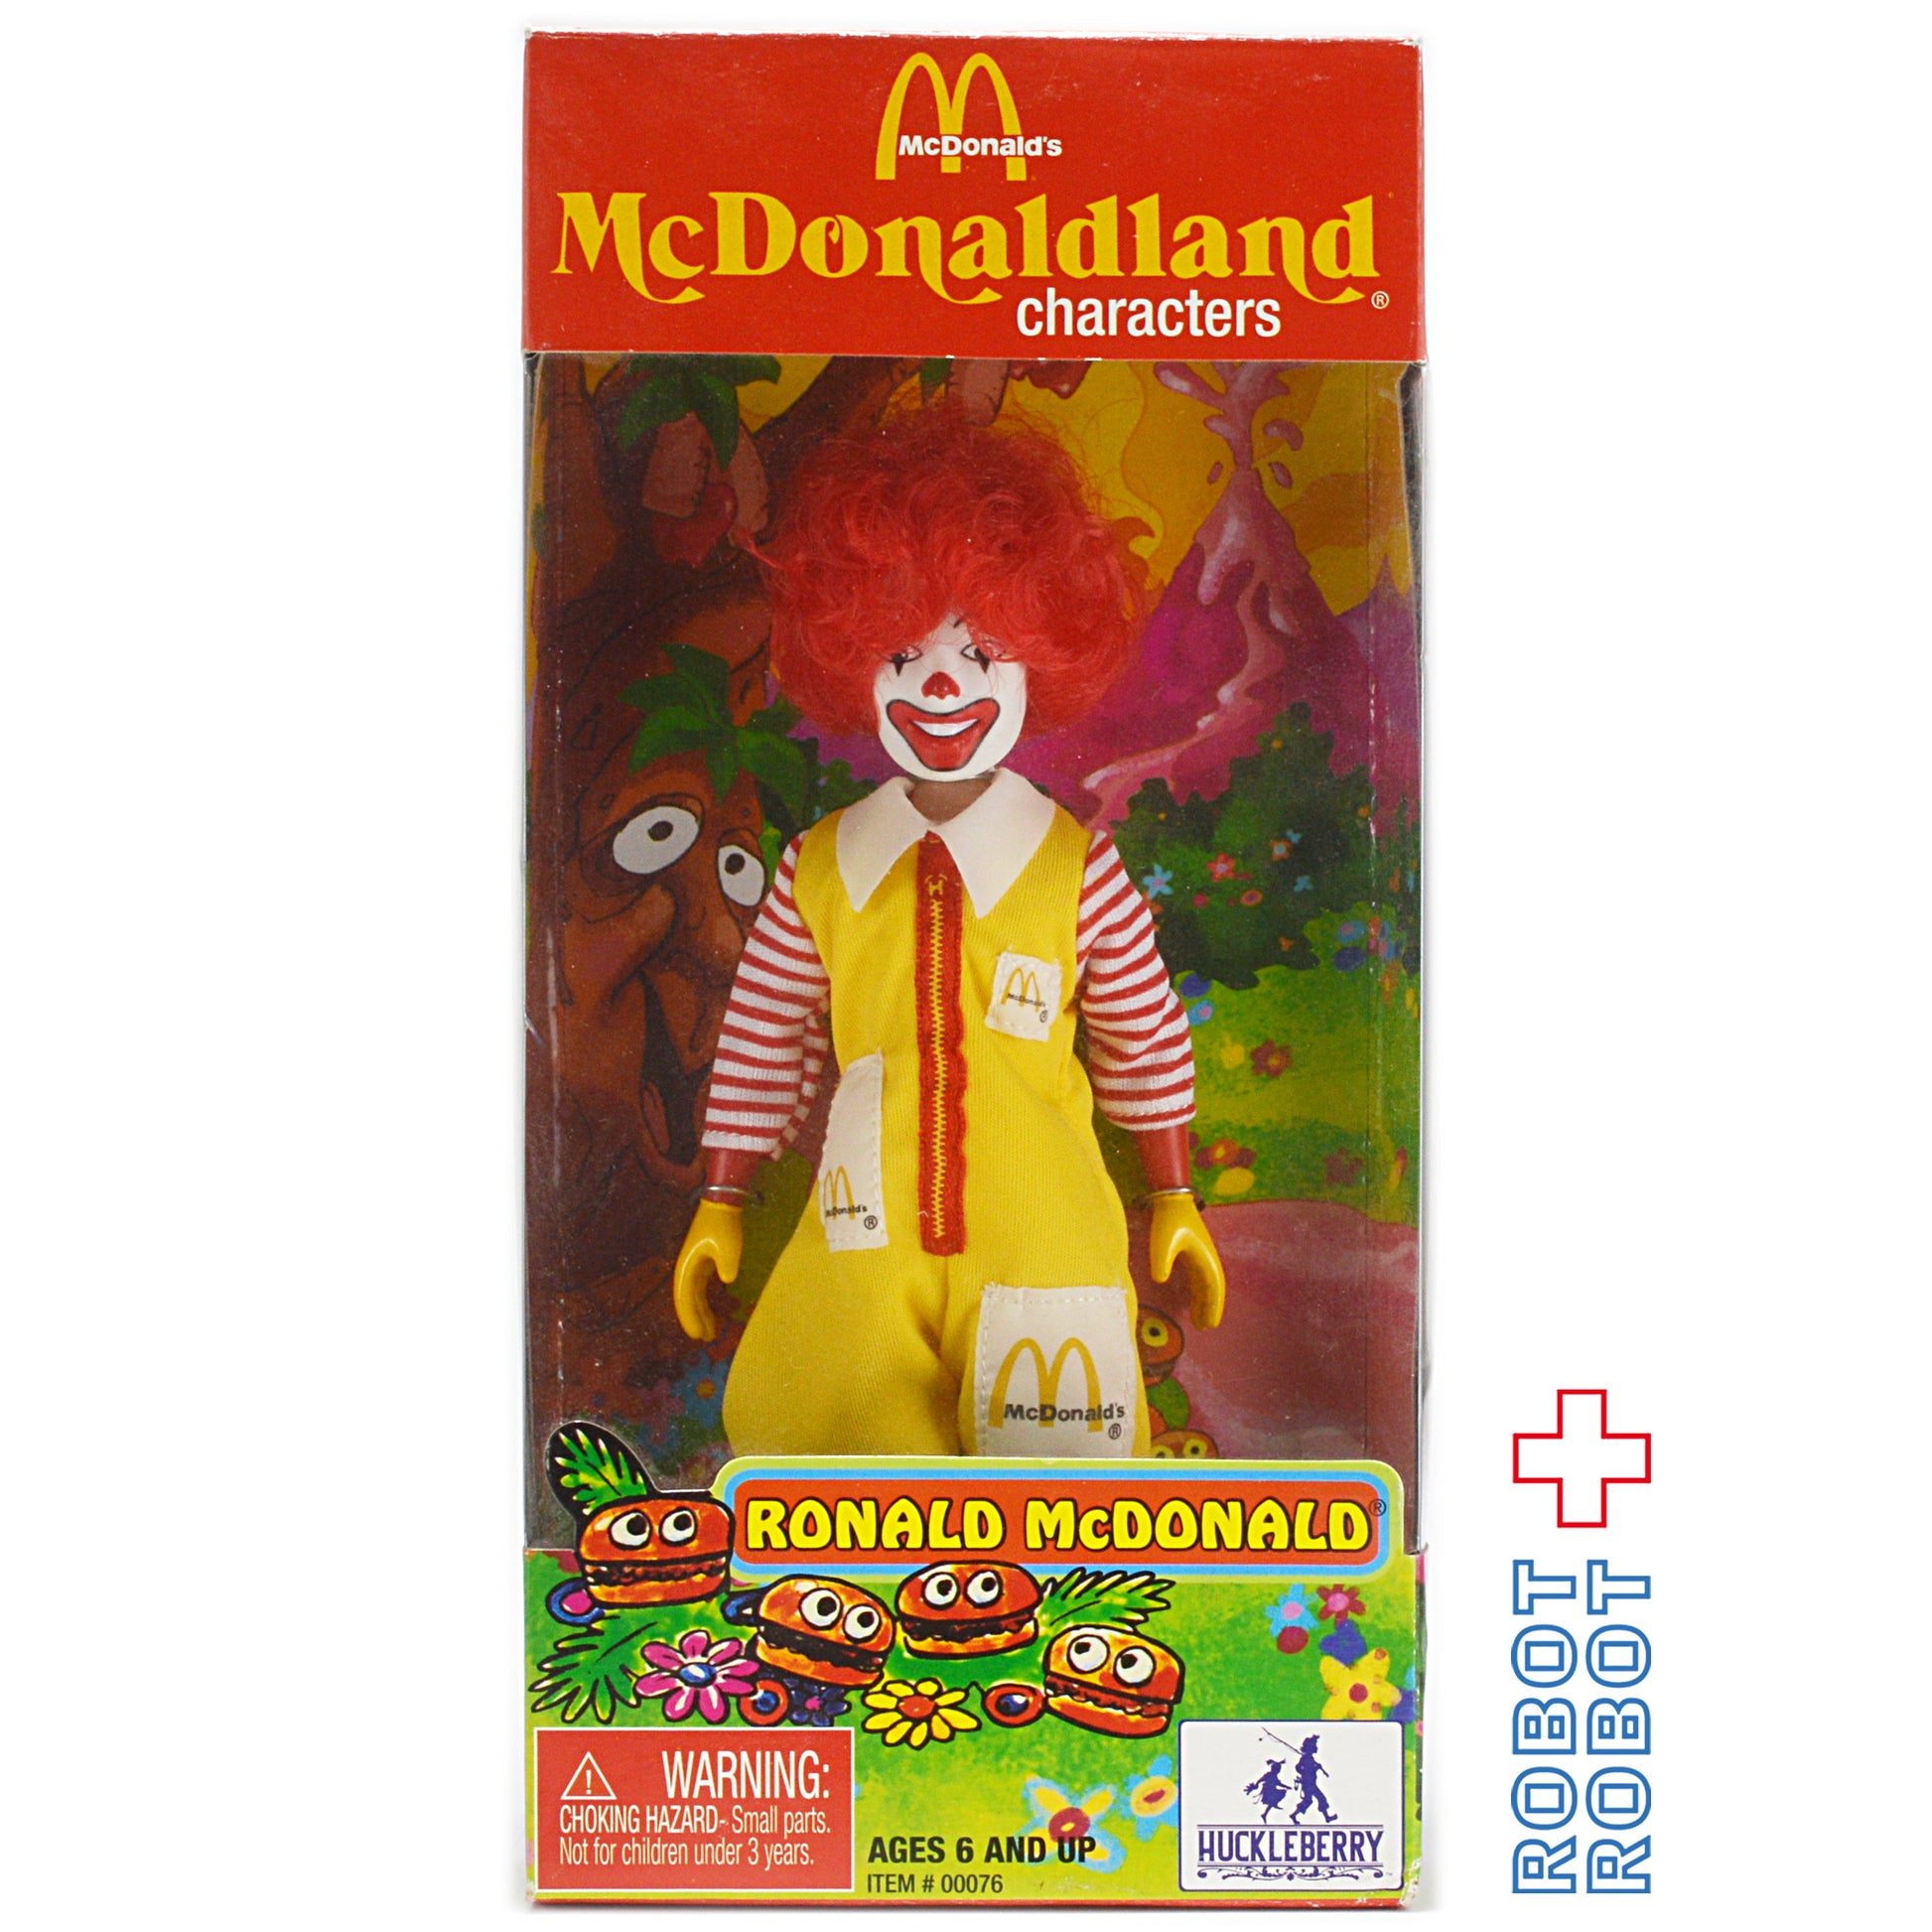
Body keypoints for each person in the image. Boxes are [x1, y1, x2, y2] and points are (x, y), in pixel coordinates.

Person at [672, 405, 1225, 1456]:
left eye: (980, 651)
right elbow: (761, 1038)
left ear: (1038, 662)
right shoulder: (821, 867)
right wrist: (721, 1198)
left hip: (1042, 1232)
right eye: (902, 651)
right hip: (862, 1229)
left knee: (1057, 1470)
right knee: (826, 1433)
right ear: (848, 659)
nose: (941, 684)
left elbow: (1142, 1036)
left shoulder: (1072, 867)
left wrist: (1174, 1191)